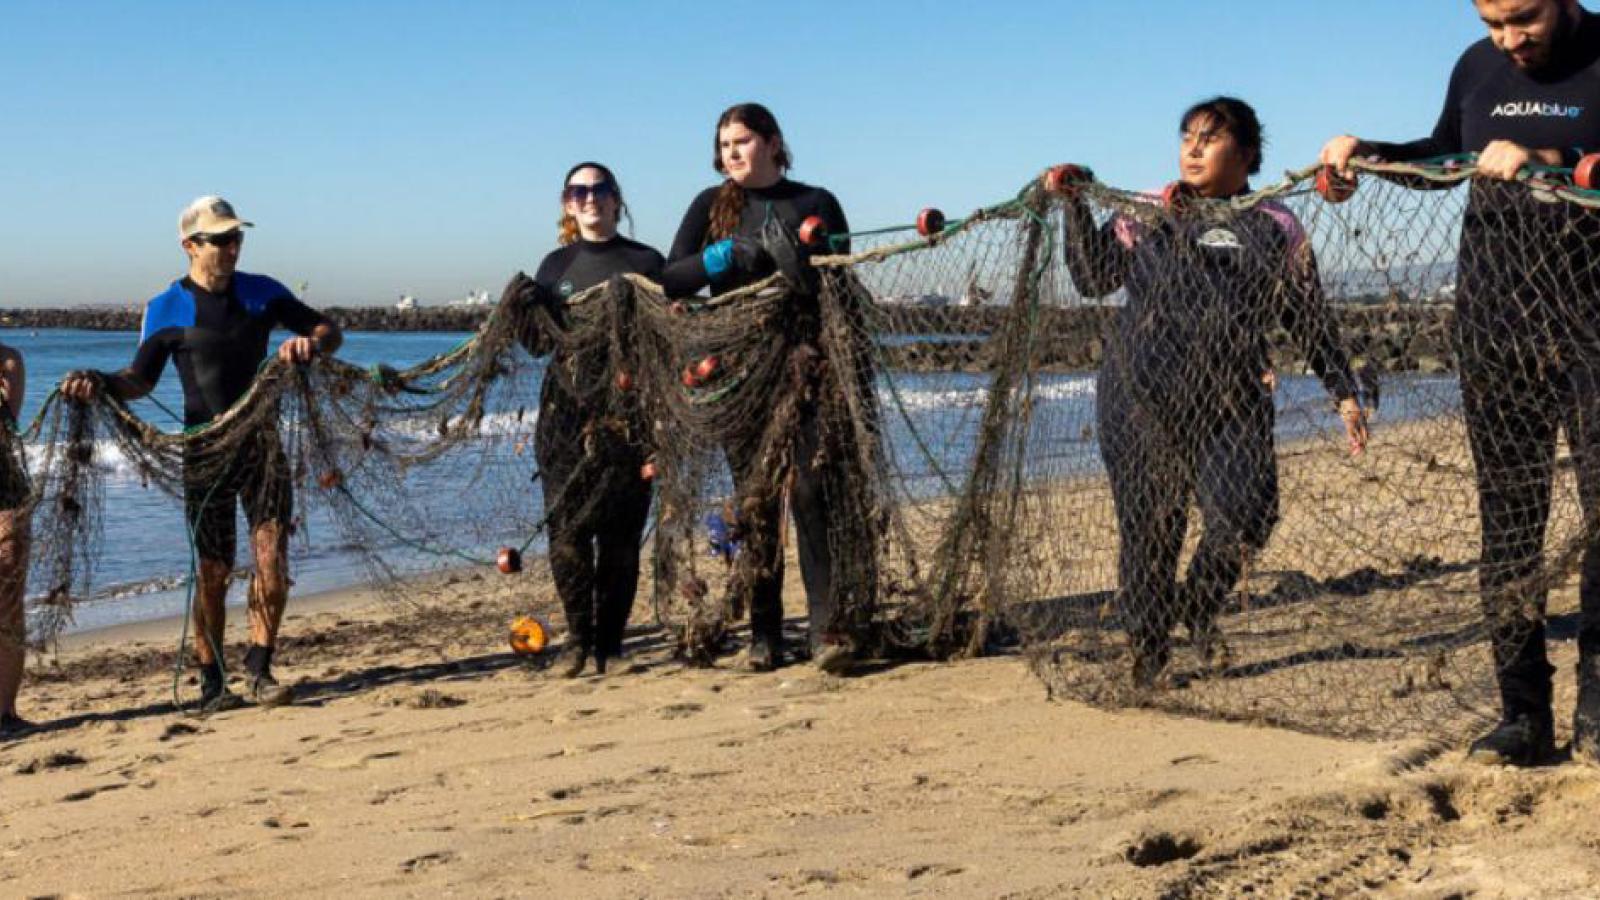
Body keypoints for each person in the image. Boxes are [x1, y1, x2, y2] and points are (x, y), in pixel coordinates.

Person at [1321, 0, 1600, 767]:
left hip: (1595, 327)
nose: (1506, 40)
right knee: (1509, 525)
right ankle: (1524, 716)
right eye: (1489, 21)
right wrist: (1366, 157)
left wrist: (1554, 159)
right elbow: (1443, 157)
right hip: (1496, 327)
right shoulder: (1476, 68)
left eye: (1521, 18)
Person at [1053, 97, 1369, 688]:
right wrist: (1073, 208)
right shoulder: (1148, 209)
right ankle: (1149, 655)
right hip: (1140, 395)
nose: (1193, 147)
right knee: (1152, 526)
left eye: (1210, 138)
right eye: (1187, 136)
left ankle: (1197, 605)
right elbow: (1093, 278)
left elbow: (1309, 317)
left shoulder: (1277, 223)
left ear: (1247, 154)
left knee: (1248, 513)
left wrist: (1343, 393)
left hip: (1232, 398)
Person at [62, 196, 341, 712]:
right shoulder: (166, 307)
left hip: (262, 446)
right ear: (190, 246)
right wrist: (97, 381)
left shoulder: (265, 293)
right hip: (205, 451)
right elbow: (138, 381)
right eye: (221, 239)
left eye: (238, 237)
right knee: (213, 570)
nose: (233, 247)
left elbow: (329, 330)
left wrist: (309, 345)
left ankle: (259, 667)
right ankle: (212, 679)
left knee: (271, 558)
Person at [662, 102, 857, 673]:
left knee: (811, 491)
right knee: (756, 499)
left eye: (742, 141)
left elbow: (842, 272)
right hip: (740, 373)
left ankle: (826, 630)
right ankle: (765, 633)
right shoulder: (711, 205)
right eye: (724, 146)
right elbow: (671, 275)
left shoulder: (816, 201)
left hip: (808, 366)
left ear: (773, 142)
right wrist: (719, 257)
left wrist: (805, 259)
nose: (733, 154)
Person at [502, 162, 663, 678]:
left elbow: (665, 341)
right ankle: (576, 643)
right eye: (579, 191)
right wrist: (526, 310)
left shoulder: (646, 261)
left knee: (620, 536)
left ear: (616, 199)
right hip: (564, 414)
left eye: (599, 190)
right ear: (568, 204)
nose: (590, 198)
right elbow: (536, 345)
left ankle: (610, 646)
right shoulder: (555, 266)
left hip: (629, 414)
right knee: (567, 532)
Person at [0, 343, 31, 737]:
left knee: (8, 590)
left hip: (5, 482)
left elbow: (10, 419)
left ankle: (5, 711)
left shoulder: (9, 360)